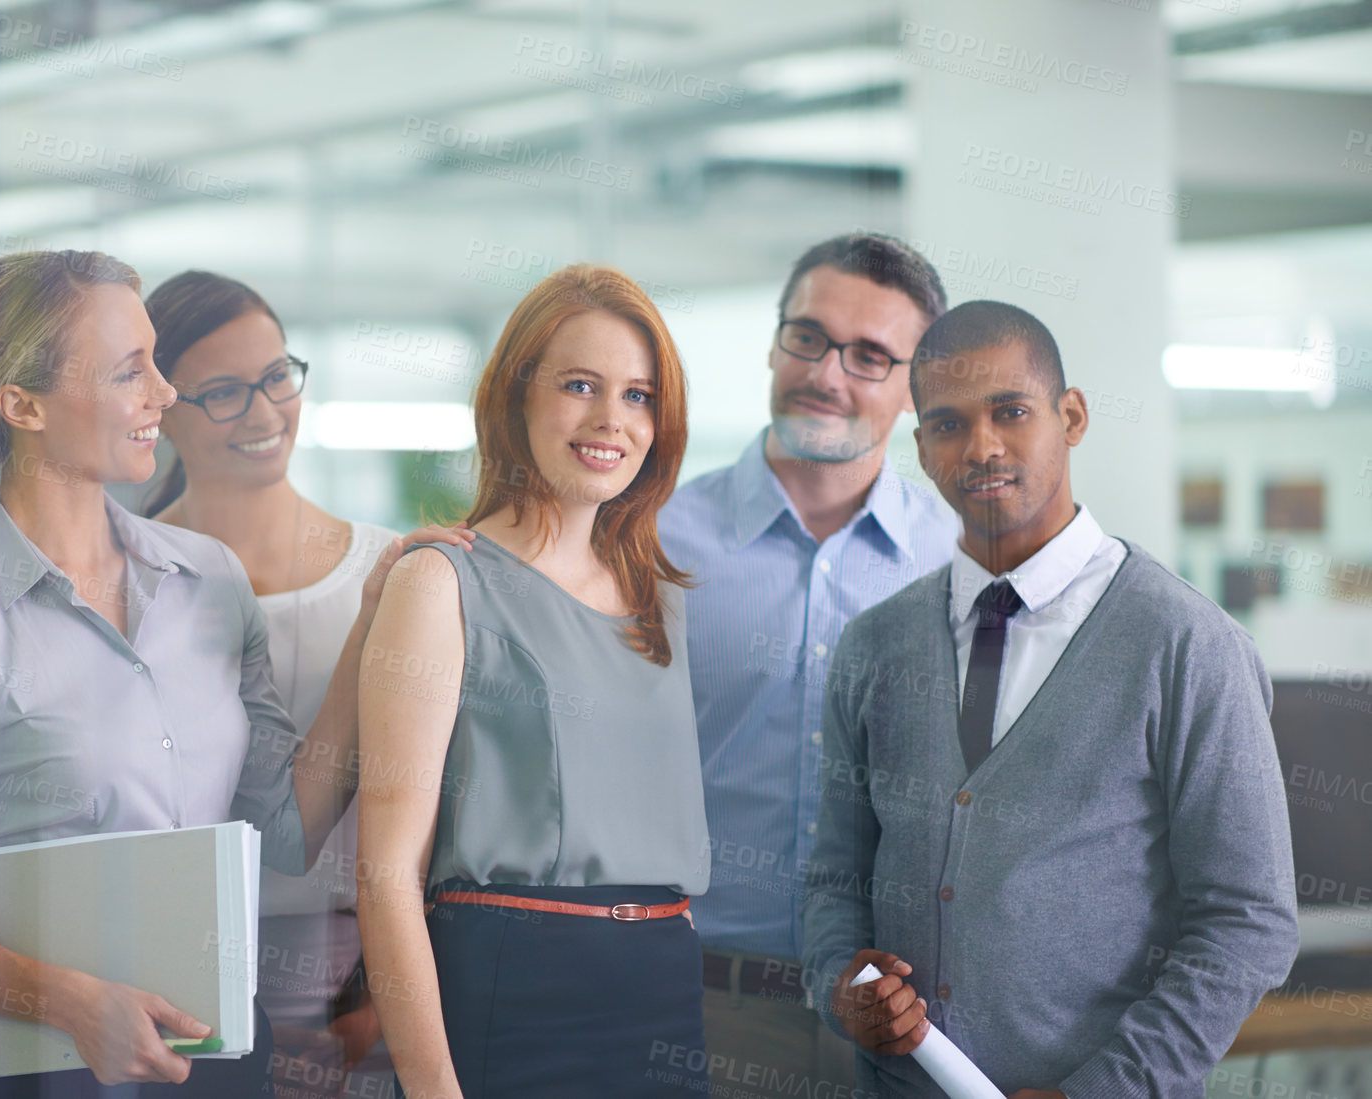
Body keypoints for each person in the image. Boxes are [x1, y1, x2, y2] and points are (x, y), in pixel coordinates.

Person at [0, 250, 468, 1098]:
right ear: (21, 403)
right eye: (129, 371)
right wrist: (71, 1002)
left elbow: (286, 825)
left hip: (216, 1058)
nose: (164, 395)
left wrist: (374, 616)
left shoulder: (209, 580)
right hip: (48, 1068)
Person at [801, 300, 1301, 1096]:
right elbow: (834, 879)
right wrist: (839, 989)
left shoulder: (1186, 645)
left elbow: (1249, 920)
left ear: (1070, 416)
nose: (982, 446)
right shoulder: (874, 647)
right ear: (922, 447)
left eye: (1010, 411)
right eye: (947, 424)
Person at [356, 264, 711, 1099]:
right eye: (579, 385)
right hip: (514, 998)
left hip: (661, 996)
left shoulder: (660, 600)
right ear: (515, 396)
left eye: (638, 395)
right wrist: (433, 1090)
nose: (609, 420)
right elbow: (383, 875)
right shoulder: (442, 582)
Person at [656, 232, 956, 1094]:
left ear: (914, 388)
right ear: (773, 341)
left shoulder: (960, 563)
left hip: (914, 1020)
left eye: (869, 356)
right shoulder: (653, 542)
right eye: (808, 337)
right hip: (708, 1009)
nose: (827, 373)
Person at [138, 270, 399, 1097]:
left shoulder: (390, 569)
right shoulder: (120, 580)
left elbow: (445, 809)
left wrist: (380, 1012)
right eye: (221, 392)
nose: (262, 412)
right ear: (157, 405)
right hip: (174, 987)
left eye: (277, 376)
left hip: (369, 981)